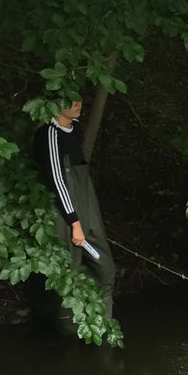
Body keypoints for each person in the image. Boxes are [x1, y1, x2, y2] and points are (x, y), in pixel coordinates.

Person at [32, 90, 116, 324]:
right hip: (64, 214)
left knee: (104, 266)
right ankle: (69, 330)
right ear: (54, 105)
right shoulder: (48, 135)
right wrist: (74, 223)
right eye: (70, 101)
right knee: (68, 271)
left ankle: (102, 325)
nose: (78, 103)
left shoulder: (75, 128)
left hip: (85, 206)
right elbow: (58, 181)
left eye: (78, 98)